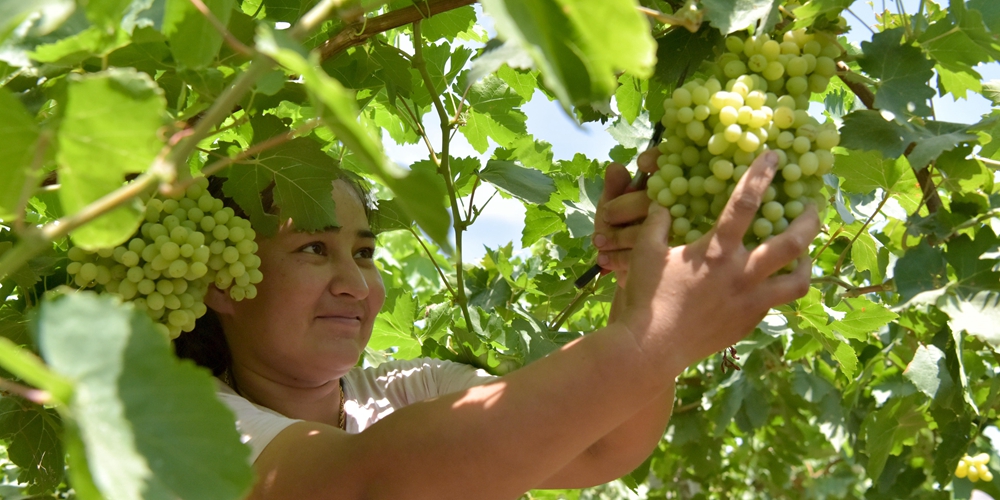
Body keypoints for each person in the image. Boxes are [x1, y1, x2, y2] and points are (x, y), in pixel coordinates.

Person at [176, 147, 819, 499]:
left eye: (365, 253)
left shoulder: (412, 390)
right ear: (224, 284)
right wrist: (660, 334)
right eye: (313, 249)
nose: (355, 283)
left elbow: (603, 443)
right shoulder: (191, 426)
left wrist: (639, 289)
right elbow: (366, 484)